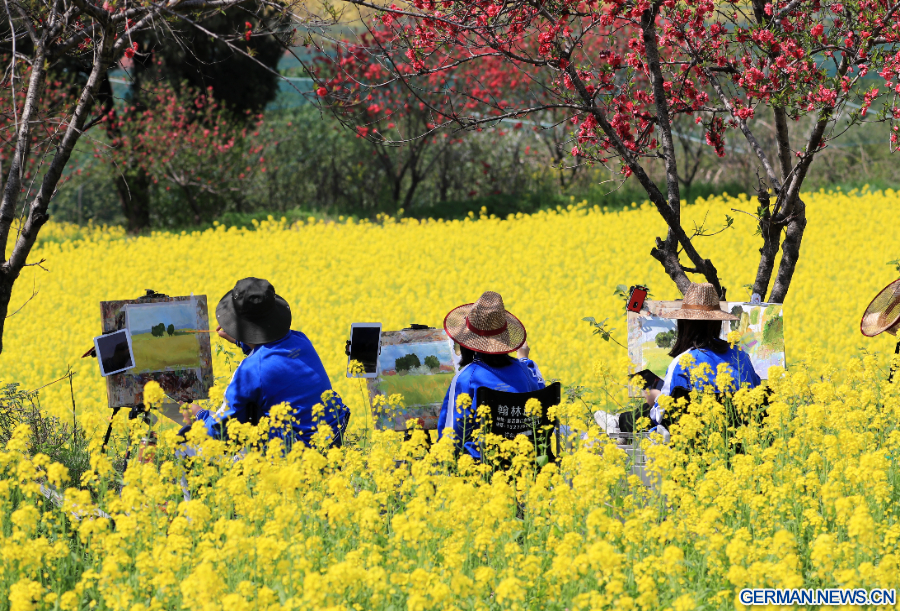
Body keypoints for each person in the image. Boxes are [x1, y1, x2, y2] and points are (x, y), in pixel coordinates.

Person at [186, 277, 349, 448]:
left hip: (303, 451)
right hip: (334, 434)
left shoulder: (251, 370)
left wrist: (199, 415)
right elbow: (273, 356)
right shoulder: (300, 340)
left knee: (187, 445)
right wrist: (241, 340)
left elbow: (220, 430)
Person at [595, 282, 761, 440]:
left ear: (684, 324)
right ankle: (619, 422)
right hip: (739, 439)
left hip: (692, 440)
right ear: (717, 323)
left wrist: (657, 398)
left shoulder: (683, 362)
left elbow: (662, 415)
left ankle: (619, 424)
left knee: (655, 404)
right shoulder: (742, 356)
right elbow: (757, 397)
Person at [437, 290, 545, 458]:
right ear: (505, 339)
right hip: (523, 462)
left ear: (467, 340)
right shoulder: (524, 370)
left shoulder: (467, 377)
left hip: (480, 466)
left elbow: (451, 435)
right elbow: (542, 393)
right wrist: (524, 359)